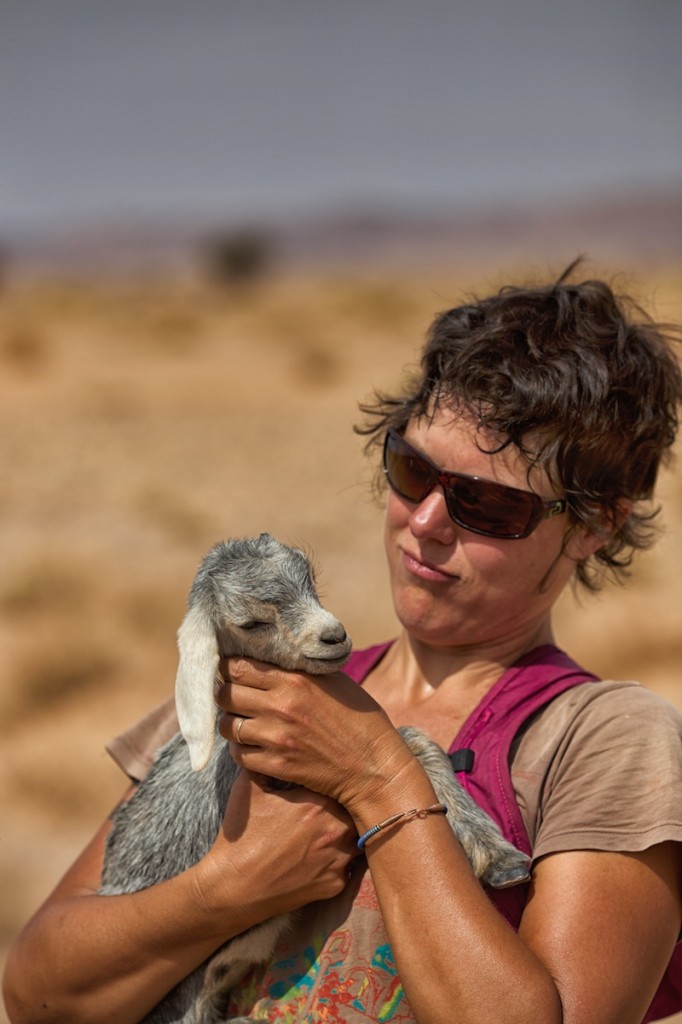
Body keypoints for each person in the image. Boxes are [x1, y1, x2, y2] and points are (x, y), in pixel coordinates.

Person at [4, 262, 682, 1024]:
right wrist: (233, 887)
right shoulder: (254, 686)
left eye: (488, 504)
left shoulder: (604, 741)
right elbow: (36, 995)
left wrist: (379, 780)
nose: (425, 521)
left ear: (597, 524)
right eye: (411, 469)